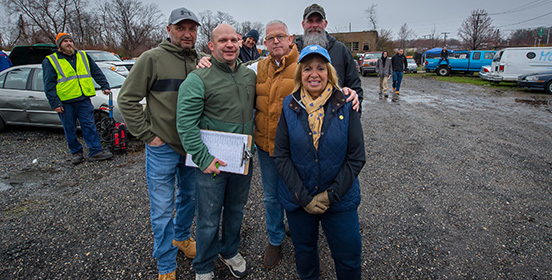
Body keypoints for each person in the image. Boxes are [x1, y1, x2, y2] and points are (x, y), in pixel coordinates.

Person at [195, 19, 359, 270]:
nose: (275, 42)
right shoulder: (257, 68)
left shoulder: (304, 65)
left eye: (280, 36)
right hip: (266, 146)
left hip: (299, 148)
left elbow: (330, 85)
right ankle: (275, 239)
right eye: (269, 38)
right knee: (272, 198)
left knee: (305, 190)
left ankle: (306, 239)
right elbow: (229, 69)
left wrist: (350, 92)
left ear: (290, 39)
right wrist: (206, 61)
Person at [117, 7, 201, 280]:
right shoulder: (151, 59)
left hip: (191, 148)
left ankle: (181, 238)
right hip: (162, 147)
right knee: (162, 209)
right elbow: (127, 99)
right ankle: (166, 264)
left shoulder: (200, 59)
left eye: (192, 28)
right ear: (169, 30)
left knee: (189, 198)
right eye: (181, 28)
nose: (187, 34)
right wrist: (146, 135)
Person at [274, 45, 366, 280]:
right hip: (299, 200)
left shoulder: (346, 103)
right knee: (305, 255)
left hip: (340, 200)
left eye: (320, 68)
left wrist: (330, 195)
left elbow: (356, 157)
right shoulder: (289, 105)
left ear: (329, 73)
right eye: (307, 69)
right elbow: (282, 156)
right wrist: (304, 198)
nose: (314, 74)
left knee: (348, 257)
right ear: (299, 74)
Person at [176, 23, 256, 280]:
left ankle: (230, 251)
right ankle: (204, 266)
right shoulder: (198, 78)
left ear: (240, 42)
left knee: (236, 210)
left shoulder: (249, 76)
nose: (230, 44)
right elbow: (185, 122)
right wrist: (202, 158)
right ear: (211, 46)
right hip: (212, 163)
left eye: (234, 39)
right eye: (223, 40)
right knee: (209, 217)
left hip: (241, 160)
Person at [42, 32, 113, 165]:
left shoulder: (83, 56)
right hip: (65, 102)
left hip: (83, 99)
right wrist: (55, 103)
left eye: (70, 41)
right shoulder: (51, 60)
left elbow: (96, 71)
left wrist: (104, 85)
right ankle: (76, 153)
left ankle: (95, 151)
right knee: (70, 129)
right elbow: (49, 85)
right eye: (65, 42)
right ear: (59, 45)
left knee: (89, 125)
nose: (69, 43)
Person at [295, 3, 363, 112]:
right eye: (310, 21)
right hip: (301, 122)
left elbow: (355, 89)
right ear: (303, 24)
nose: (314, 25)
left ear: (325, 23)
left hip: (334, 121)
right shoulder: (294, 52)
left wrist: (352, 120)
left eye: (318, 21)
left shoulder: (341, 50)